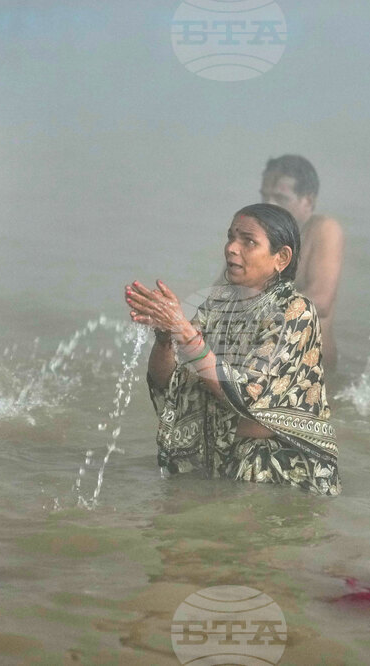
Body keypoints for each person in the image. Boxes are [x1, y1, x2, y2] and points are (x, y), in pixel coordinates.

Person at [125, 203, 340, 495]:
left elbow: (246, 395)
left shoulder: (295, 310)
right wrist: (165, 338)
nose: (231, 248)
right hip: (221, 463)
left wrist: (185, 333)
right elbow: (171, 385)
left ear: (281, 258)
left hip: (282, 475)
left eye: (248, 241)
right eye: (231, 237)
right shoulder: (218, 303)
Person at [260, 155, 344, 375]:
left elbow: (321, 301)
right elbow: (220, 295)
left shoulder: (323, 230)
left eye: (280, 198)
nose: (269, 206)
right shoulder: (256, 235)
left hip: (309, 373)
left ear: (308, 201)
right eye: (265, 196)